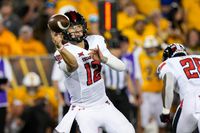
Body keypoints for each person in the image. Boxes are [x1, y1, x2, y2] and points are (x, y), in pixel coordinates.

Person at [50, 11, 135, 133]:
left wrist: (104, 59)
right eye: (72, 28)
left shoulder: (96, 40)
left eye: (78, 26)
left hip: (104, 103)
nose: (76, 30)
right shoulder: (61, 53)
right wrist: (60, 47)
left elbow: (121, 67)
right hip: (84, 110)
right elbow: (72, 66)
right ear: (64, 31)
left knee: (129, 131)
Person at [157, 43, 200, 132]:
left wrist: (166, 111)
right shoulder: (198, 57)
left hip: (191, 102)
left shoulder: (170, 63)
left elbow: (168, 86)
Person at [0, 58, 13, 133]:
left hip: (2, 103)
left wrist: (9, 105)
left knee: (2, 127)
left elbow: (8, 83)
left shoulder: (4, 62)